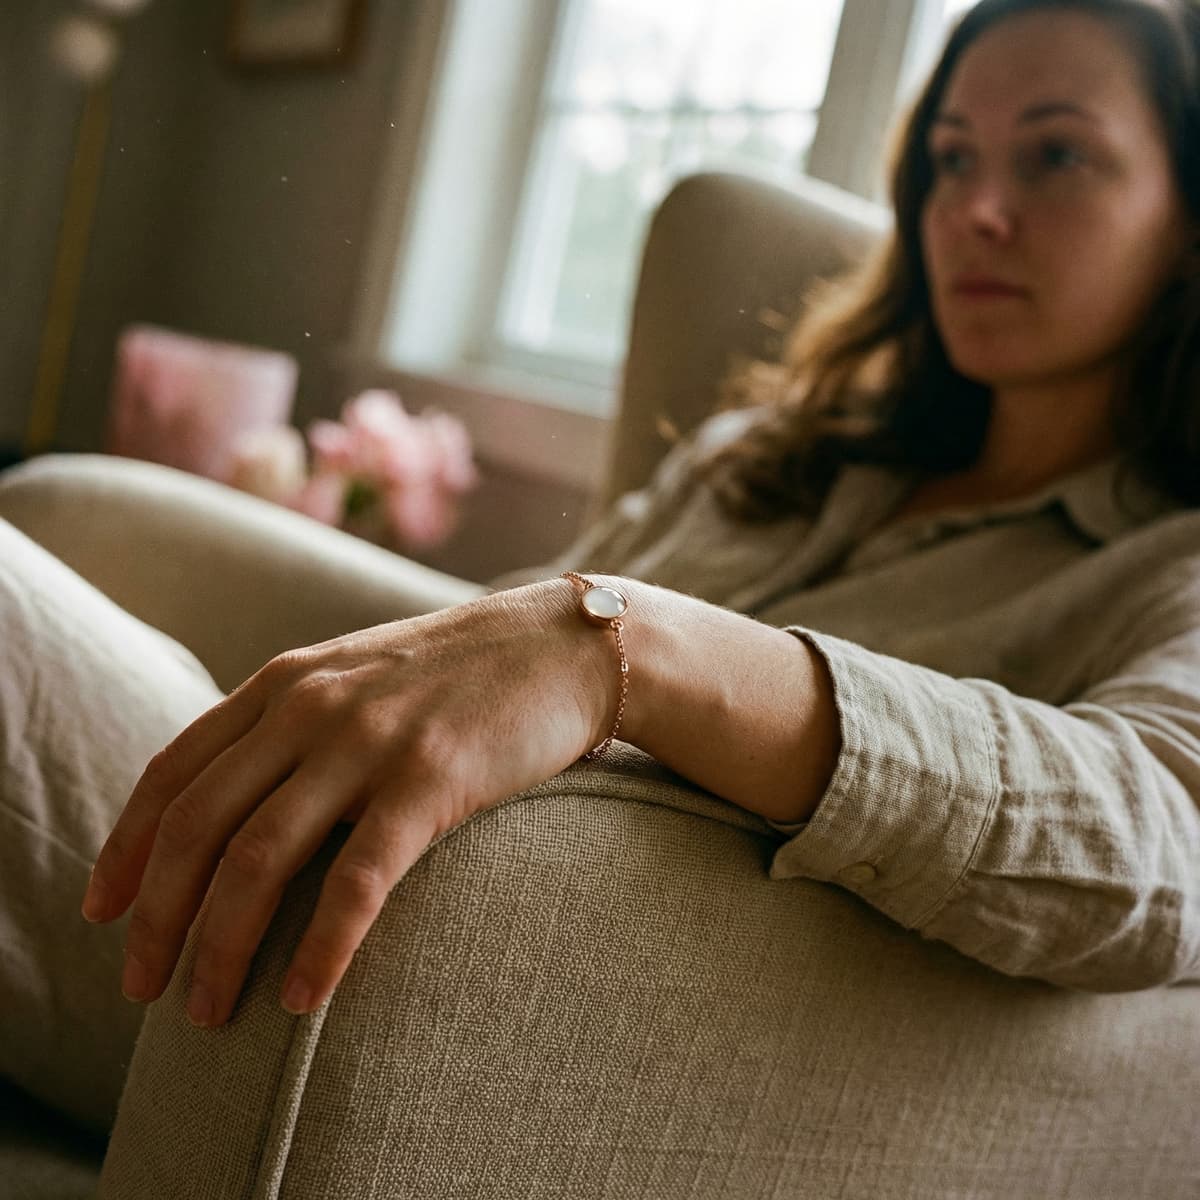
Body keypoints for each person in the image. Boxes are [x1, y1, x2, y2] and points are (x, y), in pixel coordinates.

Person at [10, 0, 1200, 1052]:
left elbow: (1166, 849)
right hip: (307, 859)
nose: (976, 210)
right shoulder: (770, 454)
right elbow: (465, 655)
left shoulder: (1172, 562)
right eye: (950, 159)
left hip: (448, 979)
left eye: (1057, 156)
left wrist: (626, 650)